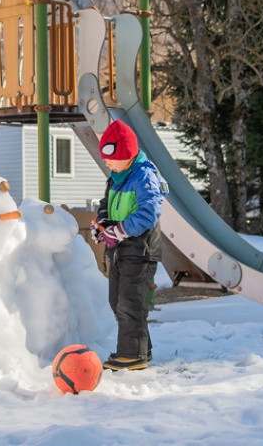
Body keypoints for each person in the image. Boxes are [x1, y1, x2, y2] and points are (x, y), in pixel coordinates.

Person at [93, 119, 166, 371]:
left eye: (110, 157)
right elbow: (105, 205)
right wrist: (102, 225)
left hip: (140, 249)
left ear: (126, 154)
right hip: (120, 249)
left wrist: (120, 231)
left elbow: (149, 212)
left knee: (130, 302)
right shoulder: (116, 177)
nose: (107, 162)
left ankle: (131, 355)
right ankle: (141, 347)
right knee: (117, 301)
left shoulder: (144, 176)